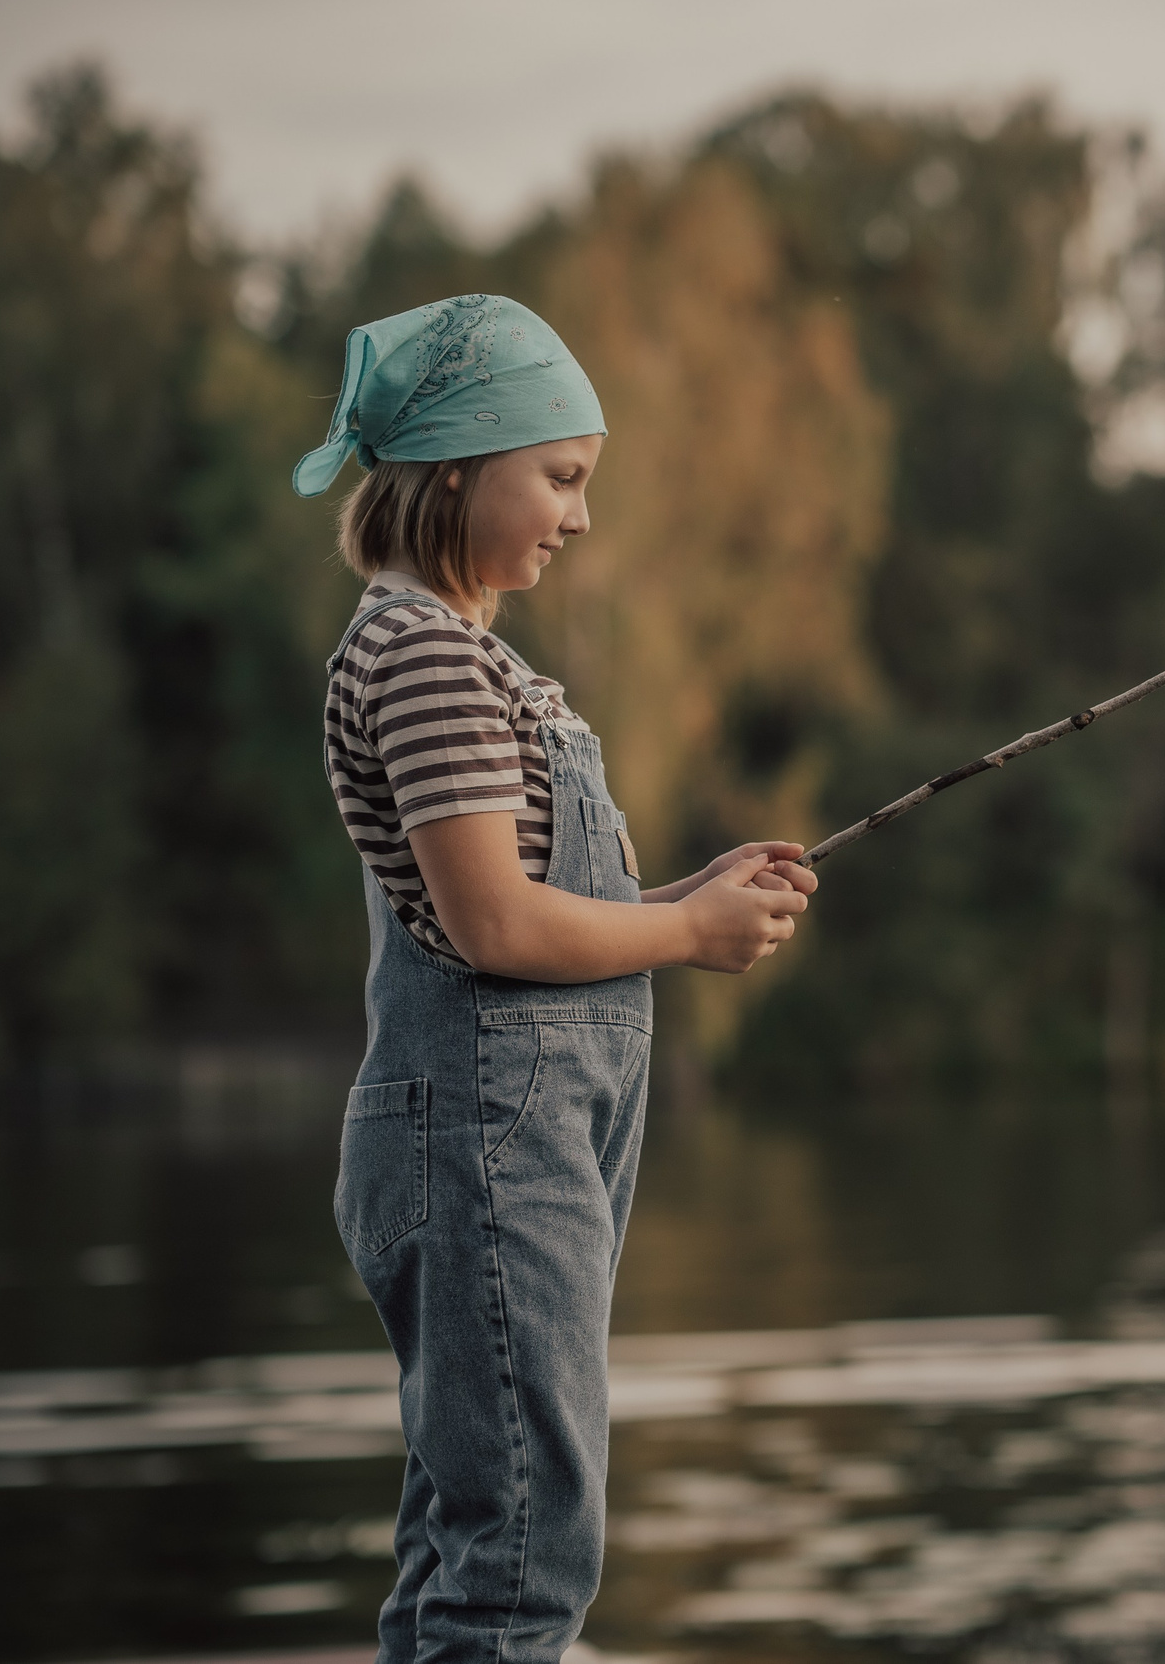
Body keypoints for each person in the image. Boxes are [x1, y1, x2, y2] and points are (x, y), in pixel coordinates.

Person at [296, 293, 814, 1662]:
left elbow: (543, 907)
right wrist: (690, 939)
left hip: (513, 1142)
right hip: (484, 1148)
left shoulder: (473, 662)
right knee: (525, 1549)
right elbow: (497, 933)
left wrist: (683, 898)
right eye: (562, 479)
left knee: (476, 1528)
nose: (579, 518)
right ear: (459, 468)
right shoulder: (424, 663)